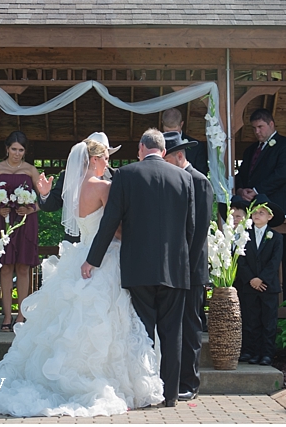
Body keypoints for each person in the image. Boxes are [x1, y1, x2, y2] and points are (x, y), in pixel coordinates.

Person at [0, 137, 163, 417]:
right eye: (105, 159)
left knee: (72, 319)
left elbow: (71, 215)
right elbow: (115, 228)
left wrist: (43, 194)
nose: (108, 164)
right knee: (108, 318)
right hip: (106, 257)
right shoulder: (104, 187)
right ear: (94, 160)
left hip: (81, 255)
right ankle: (103, 378)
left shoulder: (73, 189)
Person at [83, 128, 195, 408]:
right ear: (164, 151)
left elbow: (110, 221)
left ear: (142, 149)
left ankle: (143, 391)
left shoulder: (125, 175)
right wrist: (184, 261)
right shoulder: (184, 178)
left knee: (142, 332)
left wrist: (92, 259)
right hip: (175, 268)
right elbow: (190, 228)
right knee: (172, 333)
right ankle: (170, 395)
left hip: (138, 266)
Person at [162, 131, 212, 402]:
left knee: (191, 327)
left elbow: (200, 230)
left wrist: (186, 267)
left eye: (166, 158)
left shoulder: (199, 181)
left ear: (179, 156)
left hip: (191, 270)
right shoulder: (173, 180)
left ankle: (190, 383)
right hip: (173, 268)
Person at [234, 108, 286, 298]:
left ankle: (282, 297)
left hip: (273, 210)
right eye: (254, 128)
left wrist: (256, 191)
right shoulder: (250, 150)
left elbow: (282, 174)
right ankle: (250, 297)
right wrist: (240, 190)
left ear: (271, 124)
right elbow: (243, 175)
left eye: (261, 127)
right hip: (251, 213)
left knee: (277, 255)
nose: (257, 132)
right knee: (251, 254)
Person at [0, 131, 40, 330]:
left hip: (25, 221)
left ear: (25, 151)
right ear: (7, 149)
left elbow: (45, 200)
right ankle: (7, 317)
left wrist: (30, 209)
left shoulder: (31, 170)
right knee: (5, 268)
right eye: (13, 149)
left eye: (21, 150)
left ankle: (21, 317)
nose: (17, 153)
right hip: (2, 221)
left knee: (23, 268)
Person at [35, 132, 121, 243]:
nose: (106, 160)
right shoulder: (68, 176)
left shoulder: (116, 176)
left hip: (108, 242)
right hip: (76, 242)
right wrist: (45, 194)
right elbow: (53, 204)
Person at [235, 196, 284, 366]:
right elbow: (241, 259)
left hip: (267, 286)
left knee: (268, 322)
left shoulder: (276, 237)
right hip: (249, 286)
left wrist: (261, 278)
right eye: (255, 212)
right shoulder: (244, 235)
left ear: (269, 217)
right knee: (251, 320)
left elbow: (274, 261)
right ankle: (251, 352)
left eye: (261, 213)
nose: (257, 215)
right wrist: (251, 279)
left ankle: (267, 354)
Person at [161, 107, 209, 176]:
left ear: (181, 124)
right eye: (167, 131)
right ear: (162, 123)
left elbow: (201, 174)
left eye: (175, 131)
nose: (171, 135)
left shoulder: (197, 147)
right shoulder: (155, 145)